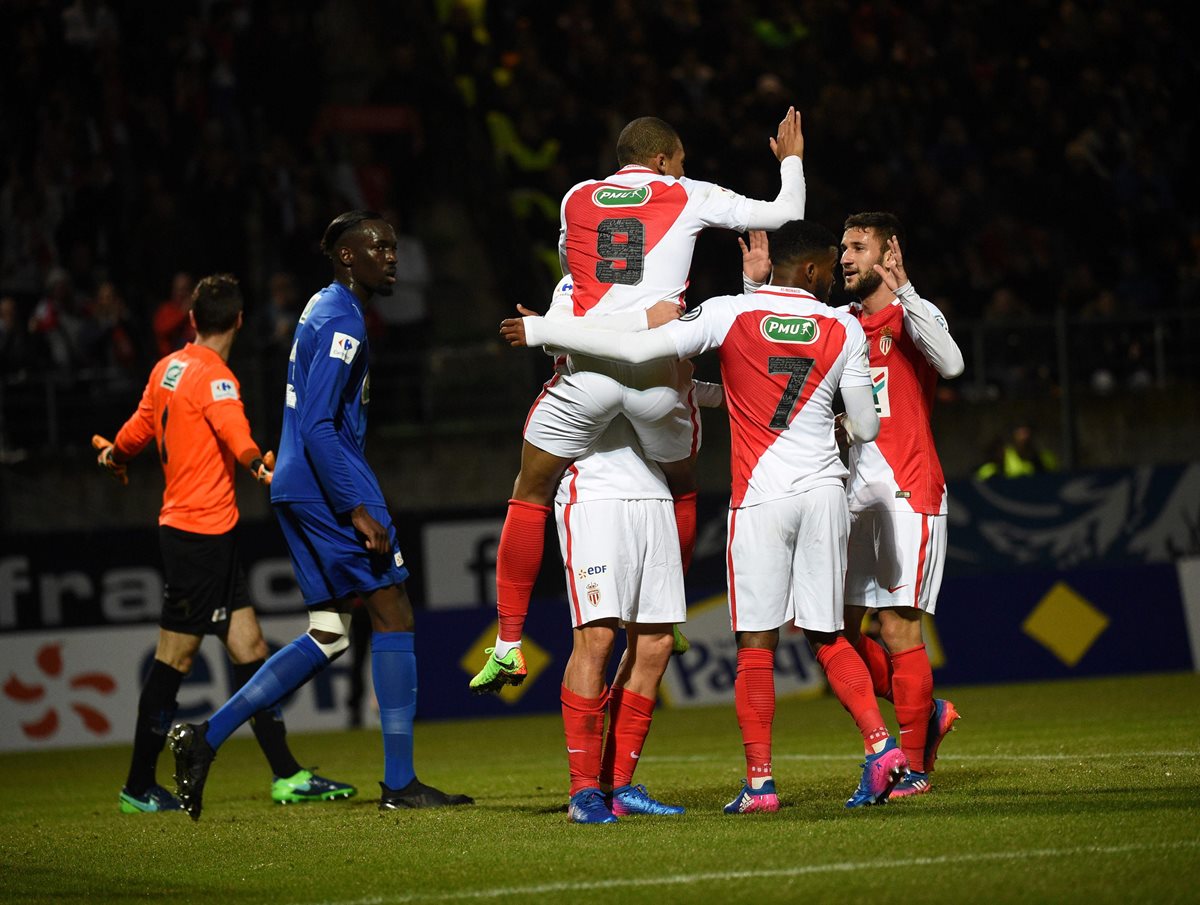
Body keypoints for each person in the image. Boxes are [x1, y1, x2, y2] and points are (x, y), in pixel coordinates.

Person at [501, 221, 910, 810]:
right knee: (828, 634)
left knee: (753, 646)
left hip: (762, 496)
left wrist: (543, 329)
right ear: (814, 272)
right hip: (825, 490)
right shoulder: (843, 324)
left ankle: (760, 785)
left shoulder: (727, 313)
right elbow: (867, 427)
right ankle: (881, 748)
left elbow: (643, 348)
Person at [471, 109, 807, 693]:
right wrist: (791, 161)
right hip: (657, 373)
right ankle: (666, 616)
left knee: (529, 493)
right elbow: (786, 214)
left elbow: (574, 278)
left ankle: (506, 643)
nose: (683, 168)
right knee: (681, 485)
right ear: (661, 161)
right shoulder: (686, 192)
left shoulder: (576, 196)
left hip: (589, 372)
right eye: (679, 160)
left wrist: (557, 325)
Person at [168, 211, 472, 818]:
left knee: (331, 632)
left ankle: (205, 738)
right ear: (346, 258)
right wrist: (355, 506)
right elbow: (318, 422)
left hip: (296, 483)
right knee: (394, 615)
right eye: (378, 247)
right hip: (325, 482)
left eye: (392, 245)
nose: (392, 256)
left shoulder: (323, 306)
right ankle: (401, 782)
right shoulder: (342, 320)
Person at [94, 273, 355, 814]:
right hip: (199, 537)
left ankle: (286, 774)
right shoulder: (217, 378)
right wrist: (261, 462)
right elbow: (235, 431)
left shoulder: (166, 368)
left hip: (203, 535)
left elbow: (138, 429)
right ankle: (139, 784)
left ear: (192, 320)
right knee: (175, 657)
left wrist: (114, 457)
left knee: (251, 649)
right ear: (238, 320)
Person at [835, 212, 965, 797]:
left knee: (897, 626)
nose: (844, 258)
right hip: (850, 494)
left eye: (858, 247)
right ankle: (926, 710)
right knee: (825, 626)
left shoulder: (909, 318)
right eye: (842, 248)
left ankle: (911, 765)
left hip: (908, 489)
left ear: (890, 253)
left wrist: (907, 288)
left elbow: (954, 362)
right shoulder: (839, 326)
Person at [975, 421, 1060, 479]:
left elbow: (1054, 477)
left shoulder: (1043, 457)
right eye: (1020, 433)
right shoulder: (1005, 455)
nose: (1024, 437)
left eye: (1026, 433)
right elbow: (984, 475)